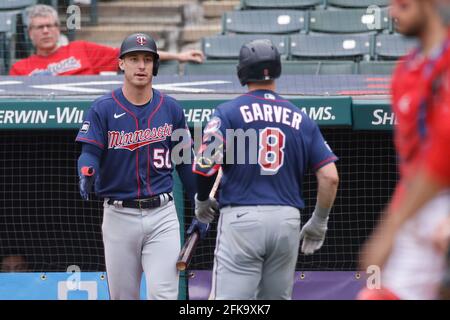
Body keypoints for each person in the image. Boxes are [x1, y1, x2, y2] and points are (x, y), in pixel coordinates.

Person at [192, 39, 339, 300]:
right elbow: (330, 177)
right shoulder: (301, 118)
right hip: (286, 221)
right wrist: (319, 221)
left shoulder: (227, 112)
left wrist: (203, 200)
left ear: (242, 72)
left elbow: (204, 165)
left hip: (242, 218)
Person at [75, 32, 208, 300]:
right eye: (133, 59)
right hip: (118, 215)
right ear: (121, 63)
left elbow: (184, 162)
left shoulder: (170, 108)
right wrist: (86, 172)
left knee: (164, 295)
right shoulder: (102, 108)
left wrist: (200, 204)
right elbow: (89, 154)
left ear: (155, 65)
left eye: (147, 59)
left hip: (162, 215)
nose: (141, 65)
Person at [359, 0, 450, 300]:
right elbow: (413, 165)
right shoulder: (404, 72)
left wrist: (391, 228)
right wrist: (395, 223)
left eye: (403, 4)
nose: (392, 13)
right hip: (419, 207)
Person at [10, 4, 204, 76]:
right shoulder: (20, 69)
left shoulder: (80, 49)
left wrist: (179, 55)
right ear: (30, 33)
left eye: (50, 26)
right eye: (39, 27)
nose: (45, 31)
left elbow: (132, 54)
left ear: (58, 28)